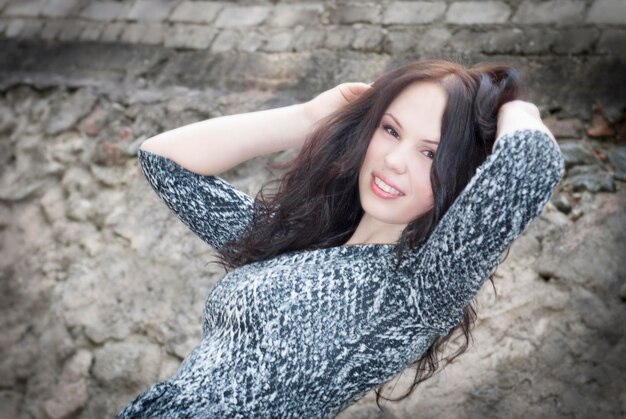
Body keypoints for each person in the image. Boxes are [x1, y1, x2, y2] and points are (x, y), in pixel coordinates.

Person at [115, 59, 564, 418]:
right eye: (390, 130)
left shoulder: (420, 288)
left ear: (462, 176)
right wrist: (307, 116)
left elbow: (531, 162)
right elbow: (163, 160)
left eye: (431, 153)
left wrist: (513, 107)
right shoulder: (299, 239)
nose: (394, 161)